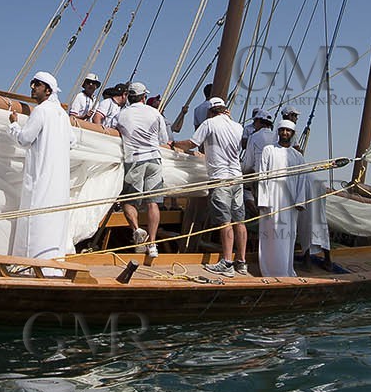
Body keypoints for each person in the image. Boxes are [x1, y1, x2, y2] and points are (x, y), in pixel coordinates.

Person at [6, 72, 74, 273]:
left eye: (38, 84)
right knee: (52, 221)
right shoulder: (62, 114)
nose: (33, 87)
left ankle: (28, 267)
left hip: (41, 176)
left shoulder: (41, 111)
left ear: (48, 90)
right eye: (32, 83)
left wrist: (13, 125)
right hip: (58, 179)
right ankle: (51, 267)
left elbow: (25, 139)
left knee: (35, 220)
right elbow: (72, 141)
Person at [174, 99, 246, 276]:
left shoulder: (209, 123)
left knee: (224, 221)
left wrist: (175, 144)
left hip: (219, 178)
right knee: (240, 221)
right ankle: (241, 262)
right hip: (237, 178)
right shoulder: (238, 127)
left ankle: (227, 263)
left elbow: (192, 143)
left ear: (210, 110)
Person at [103, 81, 167, 258]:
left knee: (128, 201)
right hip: (154, 159)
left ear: (128, 97)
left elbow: (115, 132)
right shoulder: (155, 113)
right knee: (153, 202)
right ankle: (153, 244)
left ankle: (137, 230)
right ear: (144, 97)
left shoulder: (122, 114)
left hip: (134, 159)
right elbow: (163, 138)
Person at [256, 119, 311, 277]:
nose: (285, 133)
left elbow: (302, 180)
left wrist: (300, 201)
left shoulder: (297, 156)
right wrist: (264, 200)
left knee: (287, 237)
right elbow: (262, 175)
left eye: (288, 131)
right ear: (278, 131)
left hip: (290, 203)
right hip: (271, 201)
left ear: (292, 134)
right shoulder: (269, 150)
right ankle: (268, 270)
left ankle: (284, 271)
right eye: (282, 130)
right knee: (269, 234)